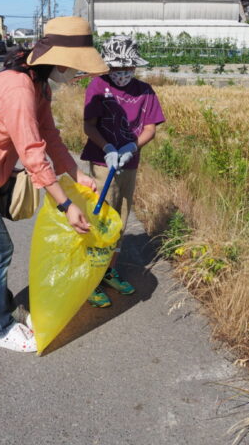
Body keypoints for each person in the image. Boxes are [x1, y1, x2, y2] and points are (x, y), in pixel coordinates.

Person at [0, 17, 109, 352]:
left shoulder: (37, 85)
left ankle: (4, 308)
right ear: (58, 60)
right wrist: (66, 205)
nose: (75, 74)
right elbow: (31, 153)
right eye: (75, 66)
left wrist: (77, 174)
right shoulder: (18, 87)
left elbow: (50, 138)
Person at [80, 35, 166, 308]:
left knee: (121, 217)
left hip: (128, 163)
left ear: (134, 66)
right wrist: (107, 147)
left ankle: (108, 271)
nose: (121, 73)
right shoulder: (97, 86)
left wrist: (131, 146)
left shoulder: (144, 91)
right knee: (101, 218)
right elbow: (89, 125)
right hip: (102, 163)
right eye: (116, 68)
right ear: (108, 67)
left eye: (126, 68)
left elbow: (150, 128)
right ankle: (90, 277)